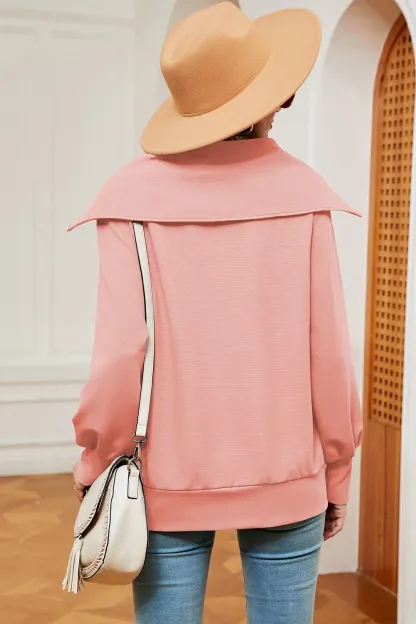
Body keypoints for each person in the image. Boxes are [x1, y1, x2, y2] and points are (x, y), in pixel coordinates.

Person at [69, 3, 362, 623]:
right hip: (289, 475)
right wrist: (337, 466)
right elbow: (330, 354)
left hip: (164, 481)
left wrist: (97, 460)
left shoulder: (130, 200)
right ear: (262, 103)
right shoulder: (303, 196)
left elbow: (121, 355)